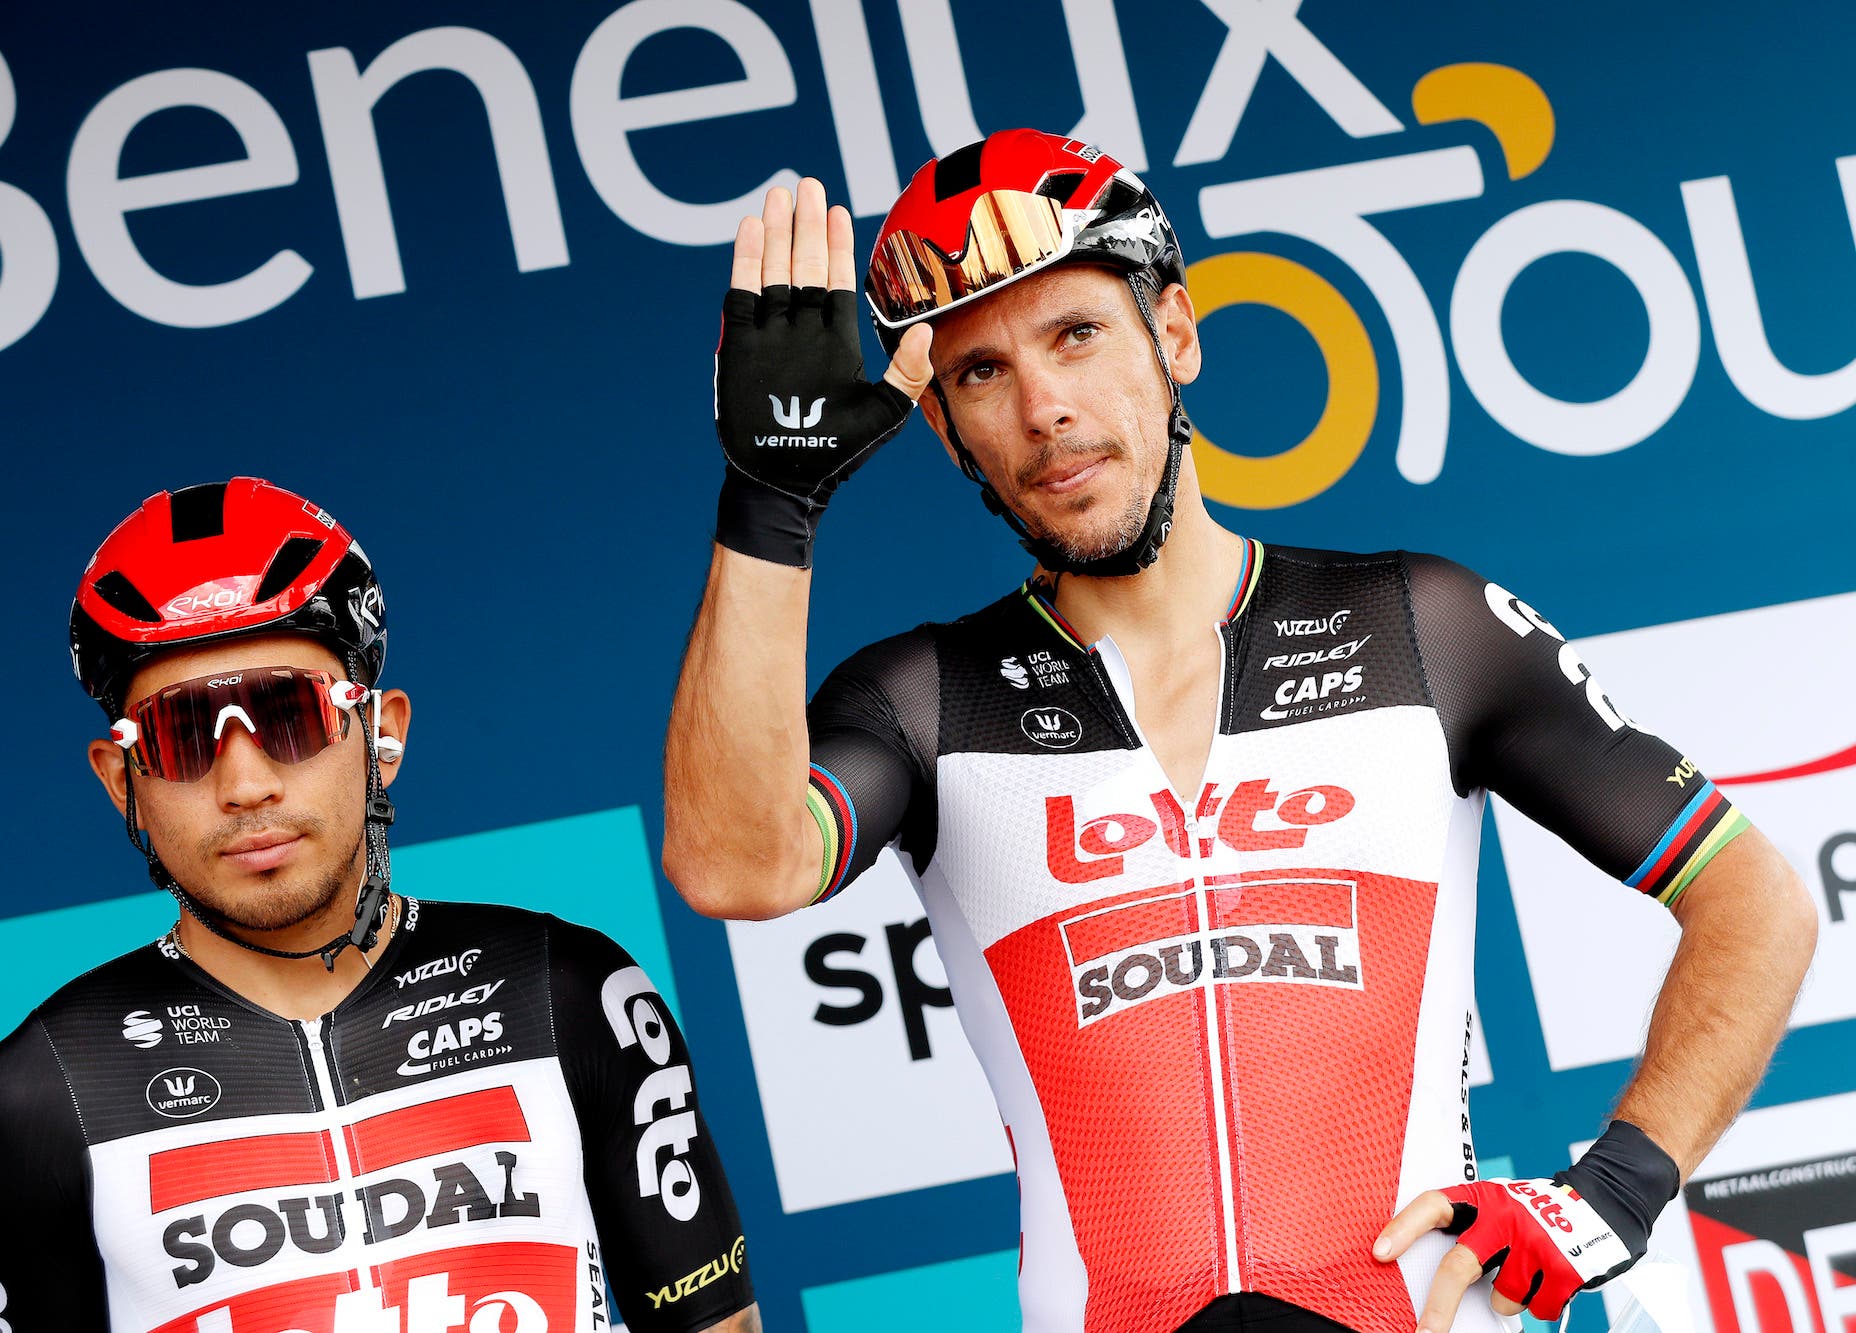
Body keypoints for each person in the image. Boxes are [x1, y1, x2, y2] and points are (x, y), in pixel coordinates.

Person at [662, 129, 1816, 1333]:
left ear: (1174, 334)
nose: (1044, 408)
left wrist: (1615, 1191)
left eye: (1075, 334)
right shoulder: (922, 695)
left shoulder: (1421, 624)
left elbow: (1754, 899)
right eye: (980, 373)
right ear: (946, 431)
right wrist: (772, 502)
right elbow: (736, 863)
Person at [0, 477, 759, 1333]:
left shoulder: (571, 989)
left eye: (289, 715)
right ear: (124, 782)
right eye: (183, 734)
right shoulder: (38, 1092)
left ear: (384, 734)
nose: (246, 783)